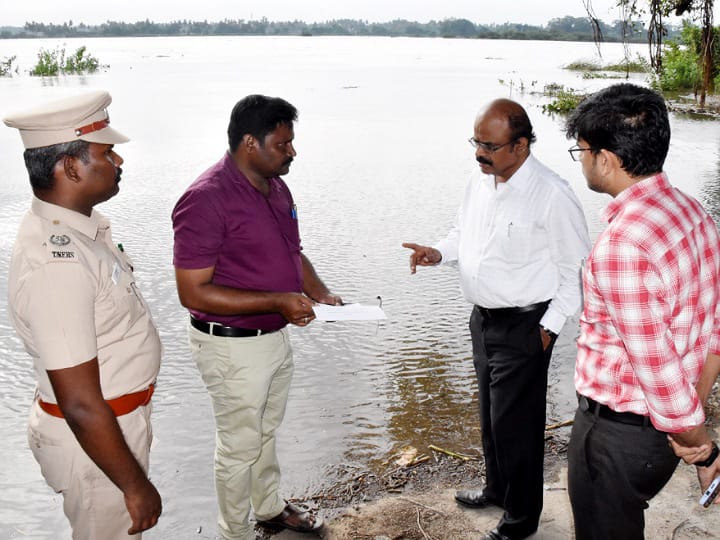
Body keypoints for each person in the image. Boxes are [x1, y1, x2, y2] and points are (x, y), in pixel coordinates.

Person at [402, 98, 590, 540]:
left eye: (489, 144)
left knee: (518, 429)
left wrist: (548, 328)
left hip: (526, 327)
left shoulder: (553, 195)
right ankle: (498, 490)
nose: (478, 152)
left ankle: (522, 521)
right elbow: (461, 234)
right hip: (483, 322)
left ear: (521, 145)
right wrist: (439, 253)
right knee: (491, 418)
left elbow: (576, 272)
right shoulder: (479, 180)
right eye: (476, 141)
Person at [172, 94, 341, 540]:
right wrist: (278, 300)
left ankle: (267, 508)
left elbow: (292, 253)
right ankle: (236, 533)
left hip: (272, 337)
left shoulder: (276, 185)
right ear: (250, 142)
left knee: (264, 432)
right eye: (283, 144)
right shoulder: (205, 199)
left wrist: (317, 290)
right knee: (238, 446)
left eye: (291, 142)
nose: (292, 152)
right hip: (230, 346)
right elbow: (192, 291)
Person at [3, 90, 162, 538]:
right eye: (107, 153)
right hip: (93, 443)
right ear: (70, 167)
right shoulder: (57, 263)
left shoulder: (78, 232)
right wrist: (134, 486)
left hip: (112, 427)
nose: (119, 162)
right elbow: (78, 401)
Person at [565, 82, 720, 540]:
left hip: (620, 437)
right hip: (663, 432)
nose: (584, 161)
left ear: (607, 160)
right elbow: (713, 322)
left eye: (583, 151)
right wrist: (698, 407)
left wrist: (704, 449)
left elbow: (658, 371)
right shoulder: (692, 212)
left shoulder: (622, 245)